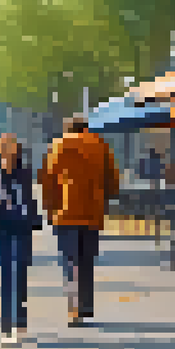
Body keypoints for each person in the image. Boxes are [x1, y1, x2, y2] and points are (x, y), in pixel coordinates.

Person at [39, 114, 120, 327]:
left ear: (68, 129)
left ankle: (74, 310)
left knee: (70, 261)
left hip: (65, 213)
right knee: (87, 261)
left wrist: (50, 209)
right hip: (92, 214)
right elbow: (113, 182)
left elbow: (48, 181)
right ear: (86, 128)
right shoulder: (101, 146)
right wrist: (103, 197)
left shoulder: (57, 146)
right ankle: (85, 306)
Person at [0, 133, 41, 344]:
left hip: (22, 226)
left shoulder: (24, 172)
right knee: (7, 276)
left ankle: (19, 322)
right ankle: (7, 325)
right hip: (2, 226)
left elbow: (29, 199)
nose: (9, 153)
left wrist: (33, 218)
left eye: (12, 148)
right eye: (5, 148)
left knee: (20, 273)